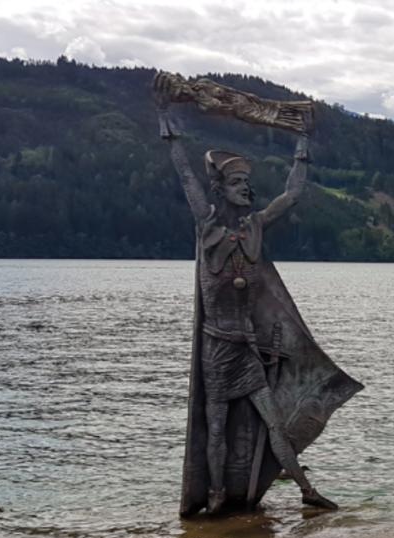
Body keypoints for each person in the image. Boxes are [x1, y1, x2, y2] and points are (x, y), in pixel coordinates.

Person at [156, 76, 356, 515]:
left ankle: (306, 489)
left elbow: (292, 195)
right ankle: (214, 498)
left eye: (247, 184)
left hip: (247, 352)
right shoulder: (207, 229)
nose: (246, 189)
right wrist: (167, 124)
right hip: (216, 350)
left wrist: (301, 145)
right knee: (216, 428)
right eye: (237, 185)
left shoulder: (255, 229)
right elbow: (187, 177)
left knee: (274, 422)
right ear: (220, 191)